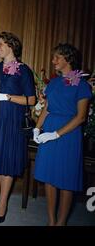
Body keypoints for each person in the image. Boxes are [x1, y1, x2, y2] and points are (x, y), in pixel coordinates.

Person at [33, 43, 92, 226]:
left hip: (68, 133)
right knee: (49, 178)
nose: (53, 61)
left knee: (66, 180)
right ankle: (51, 221)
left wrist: (56, 134)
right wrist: (37, 128)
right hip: (50, 128)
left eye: (57, 57)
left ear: (68, 59)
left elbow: (81, 117)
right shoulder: (54, 82)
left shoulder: (81, 84)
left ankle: (61, 222)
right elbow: (47, 109)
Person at [0, 32, 36, 223]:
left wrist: (8, 97)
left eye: (1, 44)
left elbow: (31, 100)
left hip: (13, 122)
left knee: (7, 163)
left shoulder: (23, 70)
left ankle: (3, 203)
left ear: (11, 46)